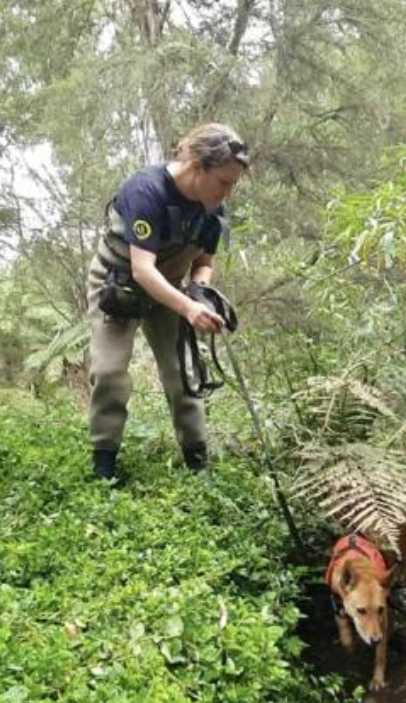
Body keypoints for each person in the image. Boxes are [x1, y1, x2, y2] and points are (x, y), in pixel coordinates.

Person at [86, 122, 249, 480]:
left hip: (172, 289)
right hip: (119, 283)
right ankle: (103, 465)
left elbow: (204, 262)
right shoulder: (146, 191)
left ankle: (197, 463)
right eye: (224, 182)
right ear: (197, 166)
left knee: (184, 374)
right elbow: (143, 270)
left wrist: (200, 292)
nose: (228, 193)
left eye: (232, 184)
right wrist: (188, 308)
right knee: (110, 371)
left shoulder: (214, 210)